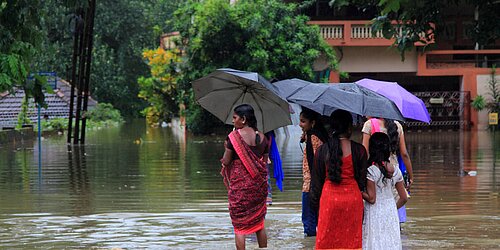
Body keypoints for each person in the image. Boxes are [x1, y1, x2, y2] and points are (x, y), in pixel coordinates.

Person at [310, 109, 368, 249]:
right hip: (352, 200)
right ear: (349, 127)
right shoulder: (359, 150)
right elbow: (362, 182)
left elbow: (316, 185)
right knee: (351, 243)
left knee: (327, 242)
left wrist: (317, 209)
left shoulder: (322, 150)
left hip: (329, 201)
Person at [220, 104, 270, 250]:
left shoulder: (233, 138)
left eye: (235, 118)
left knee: (239, 227)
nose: (233, 121)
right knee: (259, 224)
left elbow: (226, 161)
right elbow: (264, 163)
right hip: (258, 189)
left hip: (240, 189)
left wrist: (227, 148)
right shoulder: (263, 138)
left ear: (243, 119)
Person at [361, 117, 413, 223]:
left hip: (375, 167)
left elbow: (364, 152)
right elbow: (404, 154)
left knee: (373, 211)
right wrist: (411, 176)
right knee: (393, 213)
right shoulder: (397, 126)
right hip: (393, 170)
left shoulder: (369, 125)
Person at [362, 132, 408, 250]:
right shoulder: (395, 170)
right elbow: (403, 198)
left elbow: (372, 199)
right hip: (390, 211)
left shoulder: (371, 171)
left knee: (375, 241)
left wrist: (359, 192)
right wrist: (393, 207)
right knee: (390, 242)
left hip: (374, 212)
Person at [299, 107, 329, 237]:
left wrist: (313, 186)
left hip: (311, 183)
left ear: (313, 123)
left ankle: (310, 243)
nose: (300, 124)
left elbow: (314, 162)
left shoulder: (313, 137)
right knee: (318, 216)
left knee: (308, 219)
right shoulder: (317, 135)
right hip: (319, 182)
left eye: (303, 121)